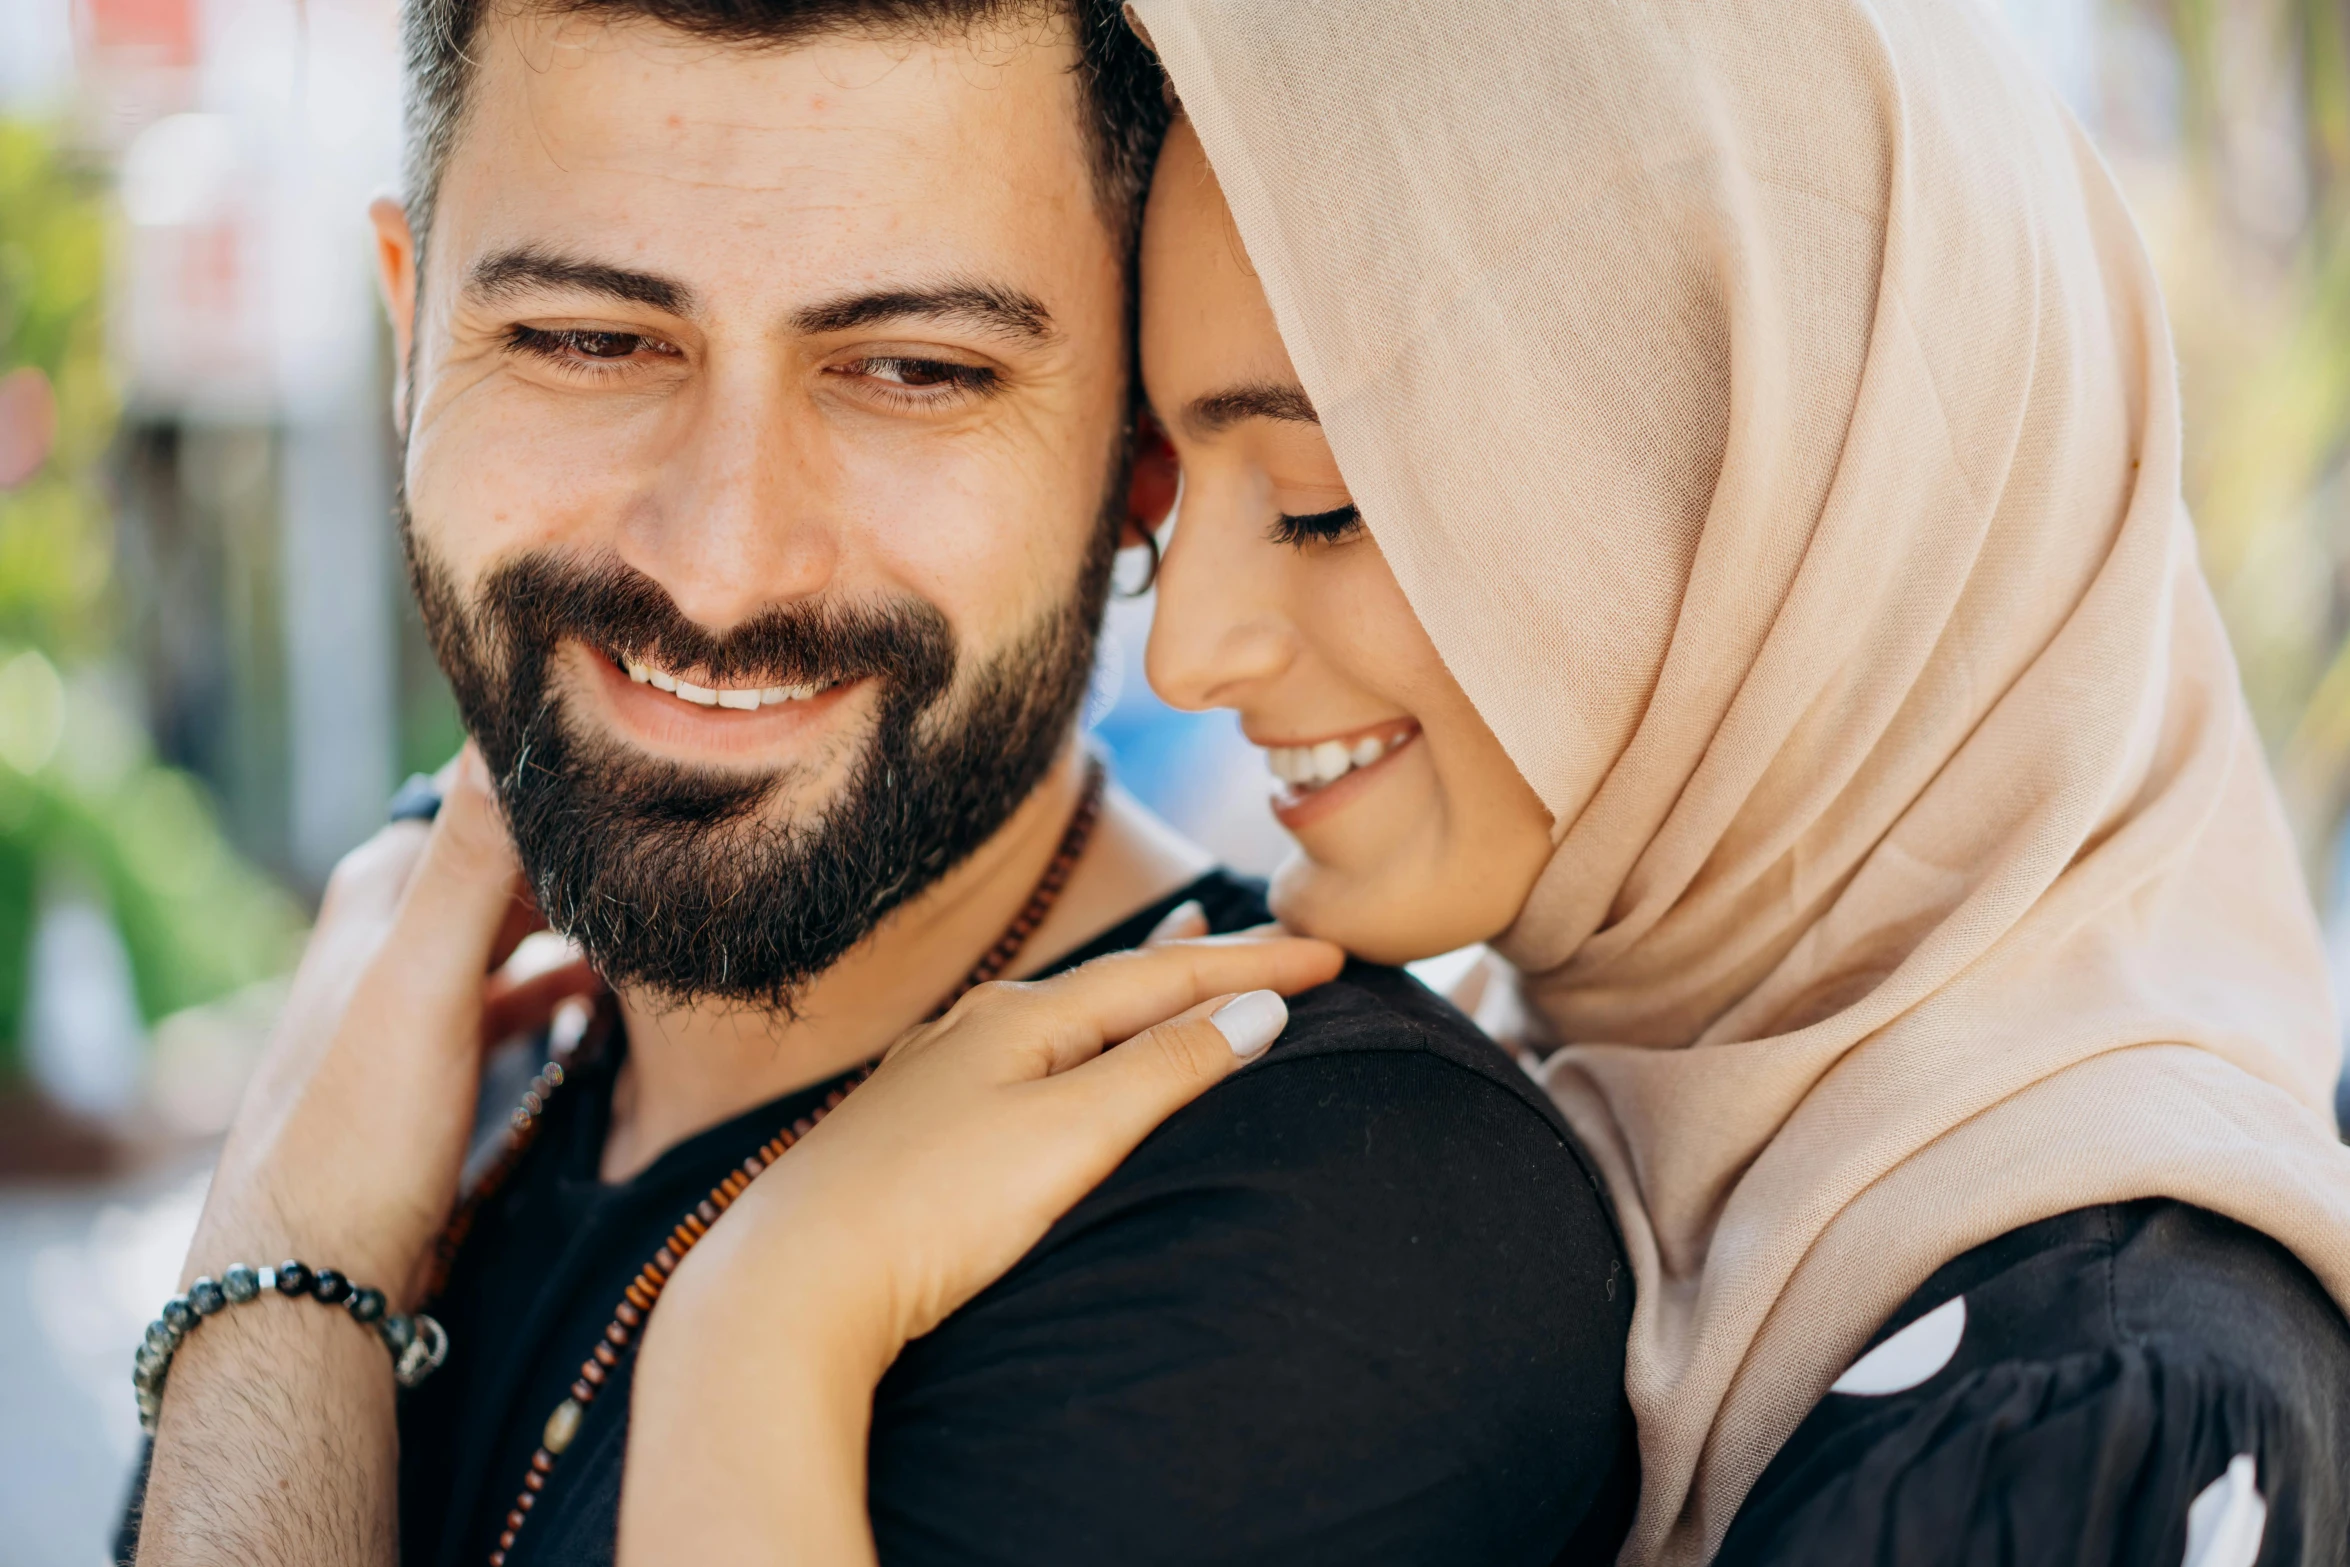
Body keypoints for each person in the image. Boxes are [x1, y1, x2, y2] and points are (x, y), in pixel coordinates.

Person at [645, 0, 2350, 1562]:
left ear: (1761, 509)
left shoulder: (2099, 1418)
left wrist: (753, 1348)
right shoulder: (1603, 1153)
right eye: (1172, 503)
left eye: (1320, 499)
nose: (1186, 653)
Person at [119, 3, 1639, 1566]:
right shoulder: (422, 1085)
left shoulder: (1343, 1227)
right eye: (587, 339)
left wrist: (275, 1279)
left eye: (914, 369)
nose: (719, 559)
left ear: (1135, 461)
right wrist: (304, 1241)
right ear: (407, 337)